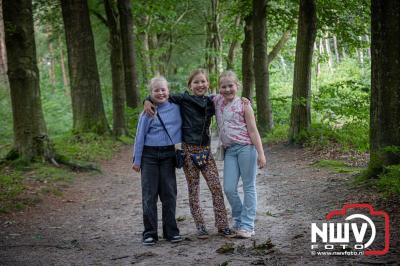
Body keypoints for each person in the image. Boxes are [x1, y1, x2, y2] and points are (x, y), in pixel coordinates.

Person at [144, 69, 234, 239]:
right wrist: (147, 100)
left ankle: (222, 225)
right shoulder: (183, 99)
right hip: (188, 152)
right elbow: (161, 96)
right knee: (194, 191)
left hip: (205, 151)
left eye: (203, 81)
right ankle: (200, 226)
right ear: (190, 85)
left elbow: (230, 100)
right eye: (196, 82)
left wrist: (246, 100)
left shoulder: (211, 102)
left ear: (208, 84)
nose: (200, 85)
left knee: (216, 187)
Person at [213, 70, 267, 238]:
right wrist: (148, 100)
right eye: (223, 86)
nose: (227, 89)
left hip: (246, 149)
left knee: (249, 186)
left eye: (231, 86)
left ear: (237, 86)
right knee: (229, 188)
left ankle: (247, 225)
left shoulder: (244, 105)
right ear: (219, 88)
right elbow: (198, 95)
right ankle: (238, 220)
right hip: (229, 151)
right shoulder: (216, 101)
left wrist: (261, 154)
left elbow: (253, 130)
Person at [132, 76, 183, 246]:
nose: (160, 93)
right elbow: (140, 137)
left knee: (169, 194)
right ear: (151, 93)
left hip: (169, 155)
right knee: (149, 195)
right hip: (149, 156)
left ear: (168, 91)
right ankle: (150, 233)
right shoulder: (148, 112)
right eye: (156, 90)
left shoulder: (177, 108)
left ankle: (171, 231)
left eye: (163, 89)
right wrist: (137, 160)